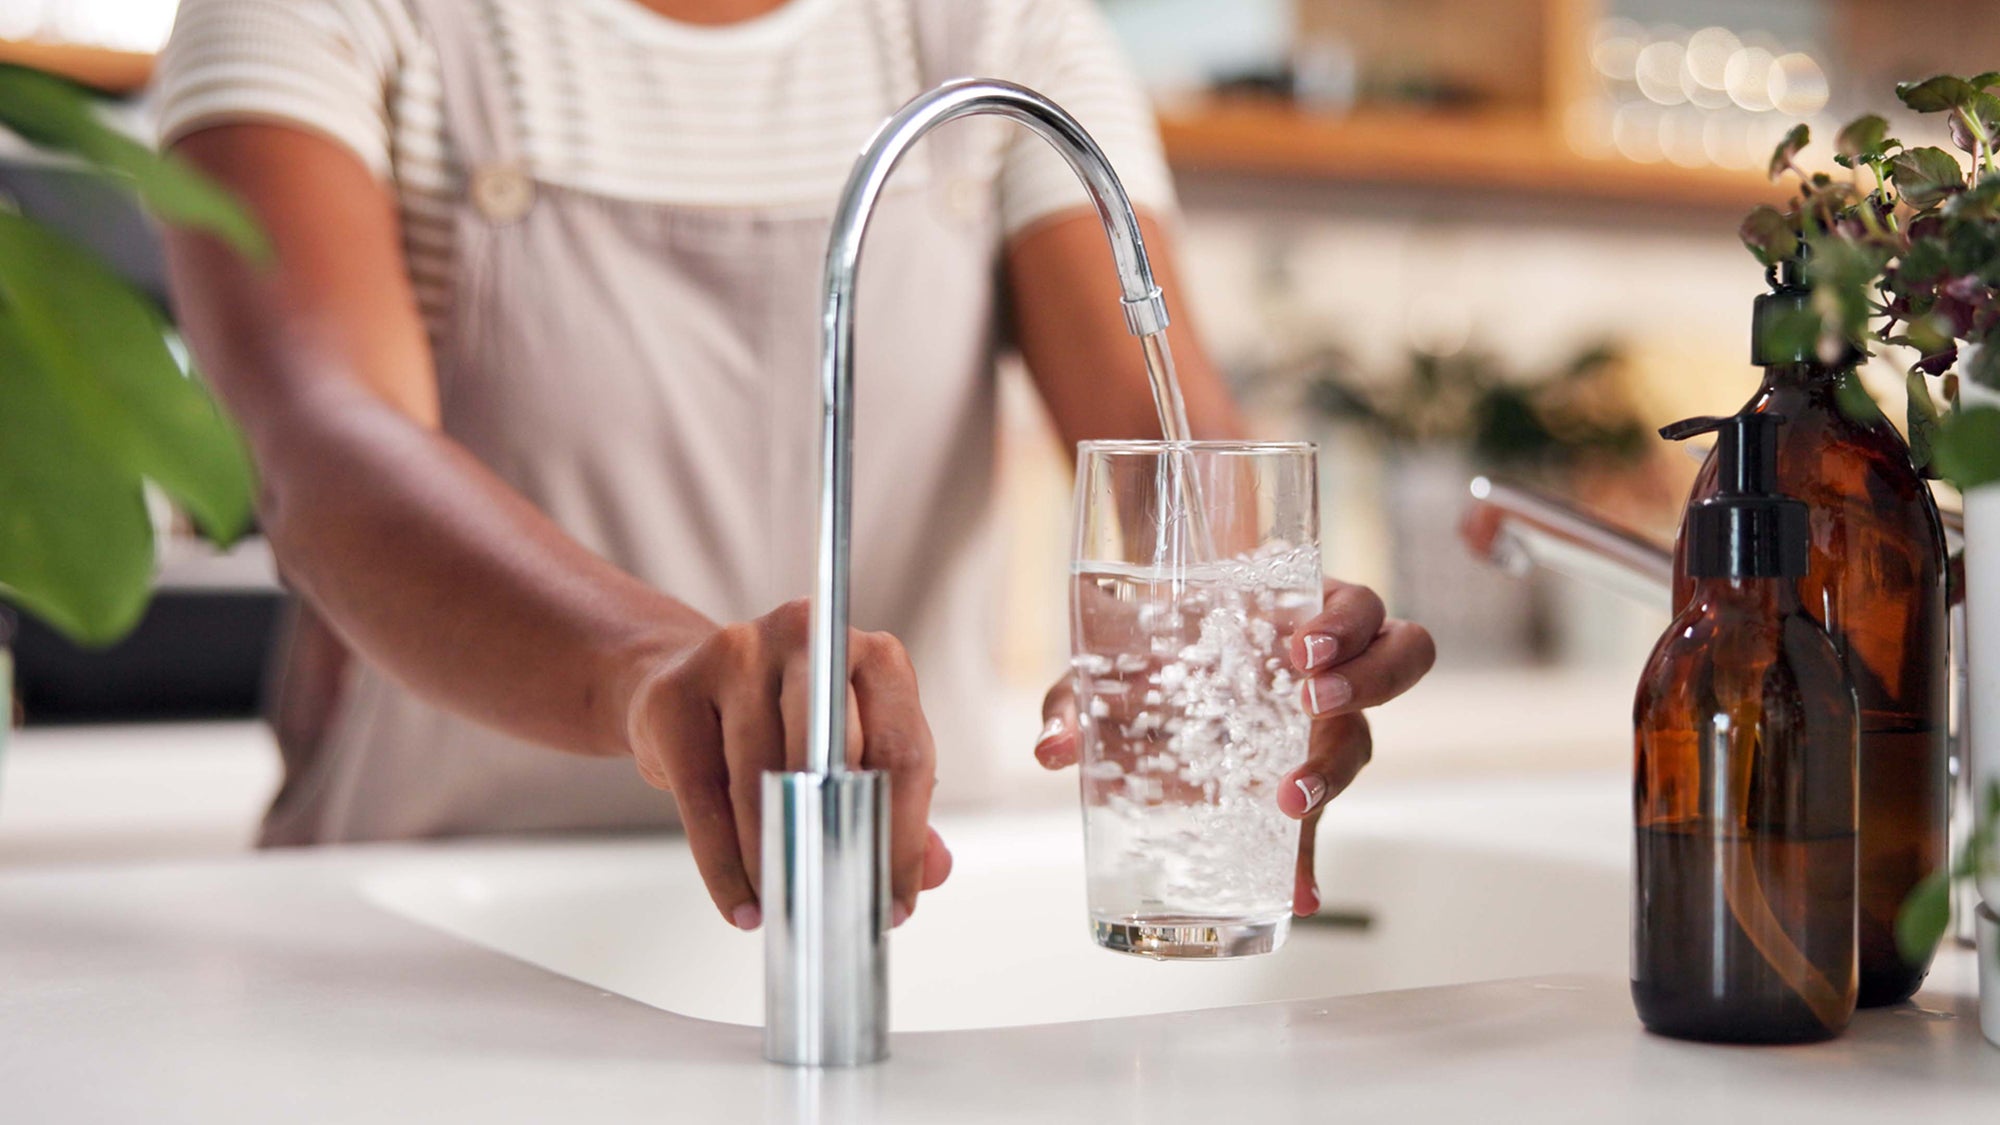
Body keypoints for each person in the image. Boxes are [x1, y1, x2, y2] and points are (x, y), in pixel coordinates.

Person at [155, 0, 1434, 932]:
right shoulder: (323, 14)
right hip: (435, 909)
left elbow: (1179, 472)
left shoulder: (1004, 34)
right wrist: (661, 675)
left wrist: (1262, 654)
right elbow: (326, 449)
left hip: (909, 904)